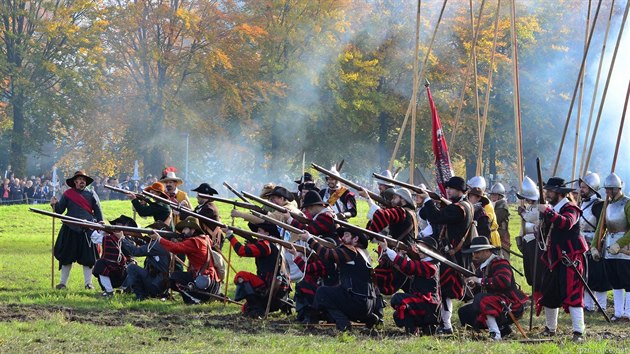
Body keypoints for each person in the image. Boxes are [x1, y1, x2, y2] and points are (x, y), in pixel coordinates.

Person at [418, 176, 475, 334]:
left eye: (451, 188)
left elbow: (435, 217)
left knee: (444, 290)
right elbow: (428, 215)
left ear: (460, 191)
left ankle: (447, 325)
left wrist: (428, 200)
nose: (448, 191)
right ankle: (445, 324)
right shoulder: (464, 205)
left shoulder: (458, 208)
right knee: (446, 290)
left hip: (451, 256)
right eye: (448, 188)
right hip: (454, 254)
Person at [298, 227, 381, 331]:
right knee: (334, 292)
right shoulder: (364, 253)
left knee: (322, 292)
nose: (342, 238)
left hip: (357, 301)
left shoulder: (351, 250)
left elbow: (328, 255)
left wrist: (309, 239)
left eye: (346, 235)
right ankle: (370, 319)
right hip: (368, 303)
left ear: (355, 239)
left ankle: (343, 323)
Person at [537, 177, 587, 342]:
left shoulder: (571, 208)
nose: (547, 193)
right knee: (550, 293)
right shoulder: (553, 208)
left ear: (559, 192)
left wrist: (548, 212)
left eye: (550, 190)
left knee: (573, 295)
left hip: (570, 258)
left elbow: (566, 223)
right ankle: (550, 329)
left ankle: (578, 332)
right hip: (554, 258)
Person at [459, 236, 528, 340]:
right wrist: (474, 285)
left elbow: (504, 282)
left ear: (486, 251)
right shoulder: (481, 268)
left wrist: (479, 280)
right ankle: (504, 329)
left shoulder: (500, 263)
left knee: (482, 299)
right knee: (464, 312)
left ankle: (495, 334)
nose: (474, 255)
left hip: (510, 304)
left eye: (477, 252)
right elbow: (483, 290)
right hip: (496, 302)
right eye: (473, 252)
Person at [149, 216, 221, 304]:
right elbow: (182, 246)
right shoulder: (204, 239)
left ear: (193, 230)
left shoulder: (194, 241)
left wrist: (159, 238)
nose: (183, 231)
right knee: (177, 276)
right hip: (210, 283)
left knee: (174, 277)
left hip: (205, 284)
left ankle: (193, 300)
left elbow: (175, 248)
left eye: (185, 229)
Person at [226, 222, 291, 318]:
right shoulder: (275, 244)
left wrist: (230, 236)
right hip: (280, 291)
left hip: (272, 290)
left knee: (241, 276)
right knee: (245, 308)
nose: (257, 233)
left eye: (259, 231)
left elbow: (241, 251)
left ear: (267, 233)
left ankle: (257, 309)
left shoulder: (265, 245)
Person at [51, 170, 103, 290]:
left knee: (88, 259)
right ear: (75, 182)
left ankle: (88, 284)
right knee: (66, 257)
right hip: (70, 229)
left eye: (84, 180)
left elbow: (98, 210)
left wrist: (100, 223)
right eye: (79, 180)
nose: (82, 182)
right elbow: (59, 211)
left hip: (87, 229)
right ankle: (62, 283)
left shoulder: (91, 194)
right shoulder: (68, 194)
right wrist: (54, 204)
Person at [379, 236, 441, 335]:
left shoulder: (431, 266)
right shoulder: (425, 263)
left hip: (429, 304)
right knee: (398, 314)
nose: (418, 251)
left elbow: (409, 266)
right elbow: (407, 269)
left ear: (429, 251)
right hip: (423, 302)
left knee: (398, 299)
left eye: (421, 248)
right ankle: (413, 331)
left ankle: (425, 326)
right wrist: (402, 256)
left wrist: (387, 250)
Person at [361, 187, 417, 295]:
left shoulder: (402, 211)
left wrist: (367, 198)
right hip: (404, 258)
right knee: (411, 289)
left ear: (403, 200)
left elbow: (382, 215)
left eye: (395, 198)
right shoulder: (410, 213)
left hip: (398, 258)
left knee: (372, 280)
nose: (392, 200)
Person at [591, 172, 630, 322]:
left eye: (608, 189)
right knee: (615, 281)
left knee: (628, 281)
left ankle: (628, 313)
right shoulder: (607, 205)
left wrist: (619, 244)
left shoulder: (627, 203)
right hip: (609, 248)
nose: (606, 192)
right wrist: (594, 246)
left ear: (616, 189)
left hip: (625, 248)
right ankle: (618, 313)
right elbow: (600, 228)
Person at [287, 237, 338, 324]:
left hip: (325, 294)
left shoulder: (326, 262)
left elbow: (306, 269)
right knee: (302, 285)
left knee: (302, 285)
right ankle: (304, 315)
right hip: (324, 291)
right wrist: (304, 254)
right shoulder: (324, 260)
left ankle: (310, 315)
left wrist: (296, 255)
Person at [577, 172, 609, 313]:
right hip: (582, 244)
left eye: (584, 187)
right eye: (581, 187)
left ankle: (601, 306)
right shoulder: (581, 204)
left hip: (596, 244)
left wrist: (597, 244)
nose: (581, 190)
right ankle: (588, 305)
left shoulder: (599, 205)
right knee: (585, 276)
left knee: (598, 276)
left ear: (592, 188)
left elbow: (603, 226)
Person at [121, 221, 172, 300]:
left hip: (156, 284)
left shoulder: (157, 245)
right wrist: (138, 238)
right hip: (158, 283)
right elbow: (145, 245)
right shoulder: (161, 244)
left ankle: (140, 296)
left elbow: (135, 252)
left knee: (132, 268)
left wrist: (123, 238)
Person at [514, 176, 544, 305]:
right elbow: (524, 226)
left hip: (536, 241)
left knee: (537, 270)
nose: (526, 200)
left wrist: (523, 213)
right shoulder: (530, 207)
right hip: (528, 240)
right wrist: (520, 238)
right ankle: (535, 292)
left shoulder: (540, 206)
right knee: (529, 269)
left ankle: (539, 294)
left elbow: (532, 219)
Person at [92, 215, 135, 297]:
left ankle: (110, 291)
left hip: (123, 274)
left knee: (100, 264)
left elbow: (95, 237)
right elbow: (99, 237)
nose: (116, 225)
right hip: (118, 272)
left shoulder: (128, 240)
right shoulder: (112, 237)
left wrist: (93, 229)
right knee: (101, 265)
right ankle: (110, 290)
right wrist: (99, 227)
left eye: (119, 224)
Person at [182, 183, 223, 249]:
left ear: (205, 195)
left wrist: (180, 212)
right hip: (203, 240)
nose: (197, 197)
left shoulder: (209, 208)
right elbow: (191, 215)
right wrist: (182, 209)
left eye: (199, 195)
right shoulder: (201, 207)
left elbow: (194, 218)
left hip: (211, 242)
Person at [489, 183, 511, 260]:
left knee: (503, 257)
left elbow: (496, 220)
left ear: (500, 196)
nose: (493, 197)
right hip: (494, 234)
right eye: (492, 195)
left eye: (495, 195)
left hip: (501, 234)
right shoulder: (493, 205)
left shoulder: (502, 206)